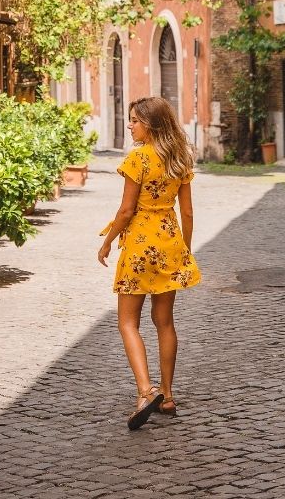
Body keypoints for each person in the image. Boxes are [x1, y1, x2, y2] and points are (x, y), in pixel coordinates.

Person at [98, 96, 201, 430]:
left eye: (134, 121)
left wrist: (108, 240)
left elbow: (127, 210)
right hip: (169, 244)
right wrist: (183, 251)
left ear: (150, 124)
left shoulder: (139, 158)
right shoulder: (179, 158)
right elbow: (187, 212)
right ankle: (168, 396)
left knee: (128, 322)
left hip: (140, 247)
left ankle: (146, 390)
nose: (130, 126)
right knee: (164, 322)